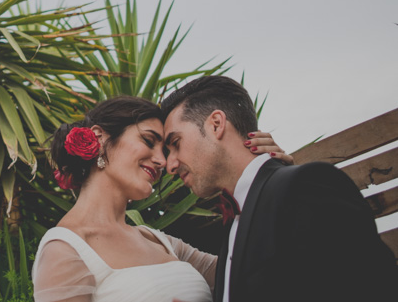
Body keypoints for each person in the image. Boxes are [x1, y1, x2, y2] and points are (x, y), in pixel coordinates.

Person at [161, 75, 397, 302]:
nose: (170, 165)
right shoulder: (232, 224)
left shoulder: (307, 186)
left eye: (175, 143)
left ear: (216, 124)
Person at [31, 95, 290, 302]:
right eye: (148, 140)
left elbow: (252, 273)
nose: (163, 161)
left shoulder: (161, 242)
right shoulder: (64, 250)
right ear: (100, 137)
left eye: (165, 149)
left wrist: (272, 180)